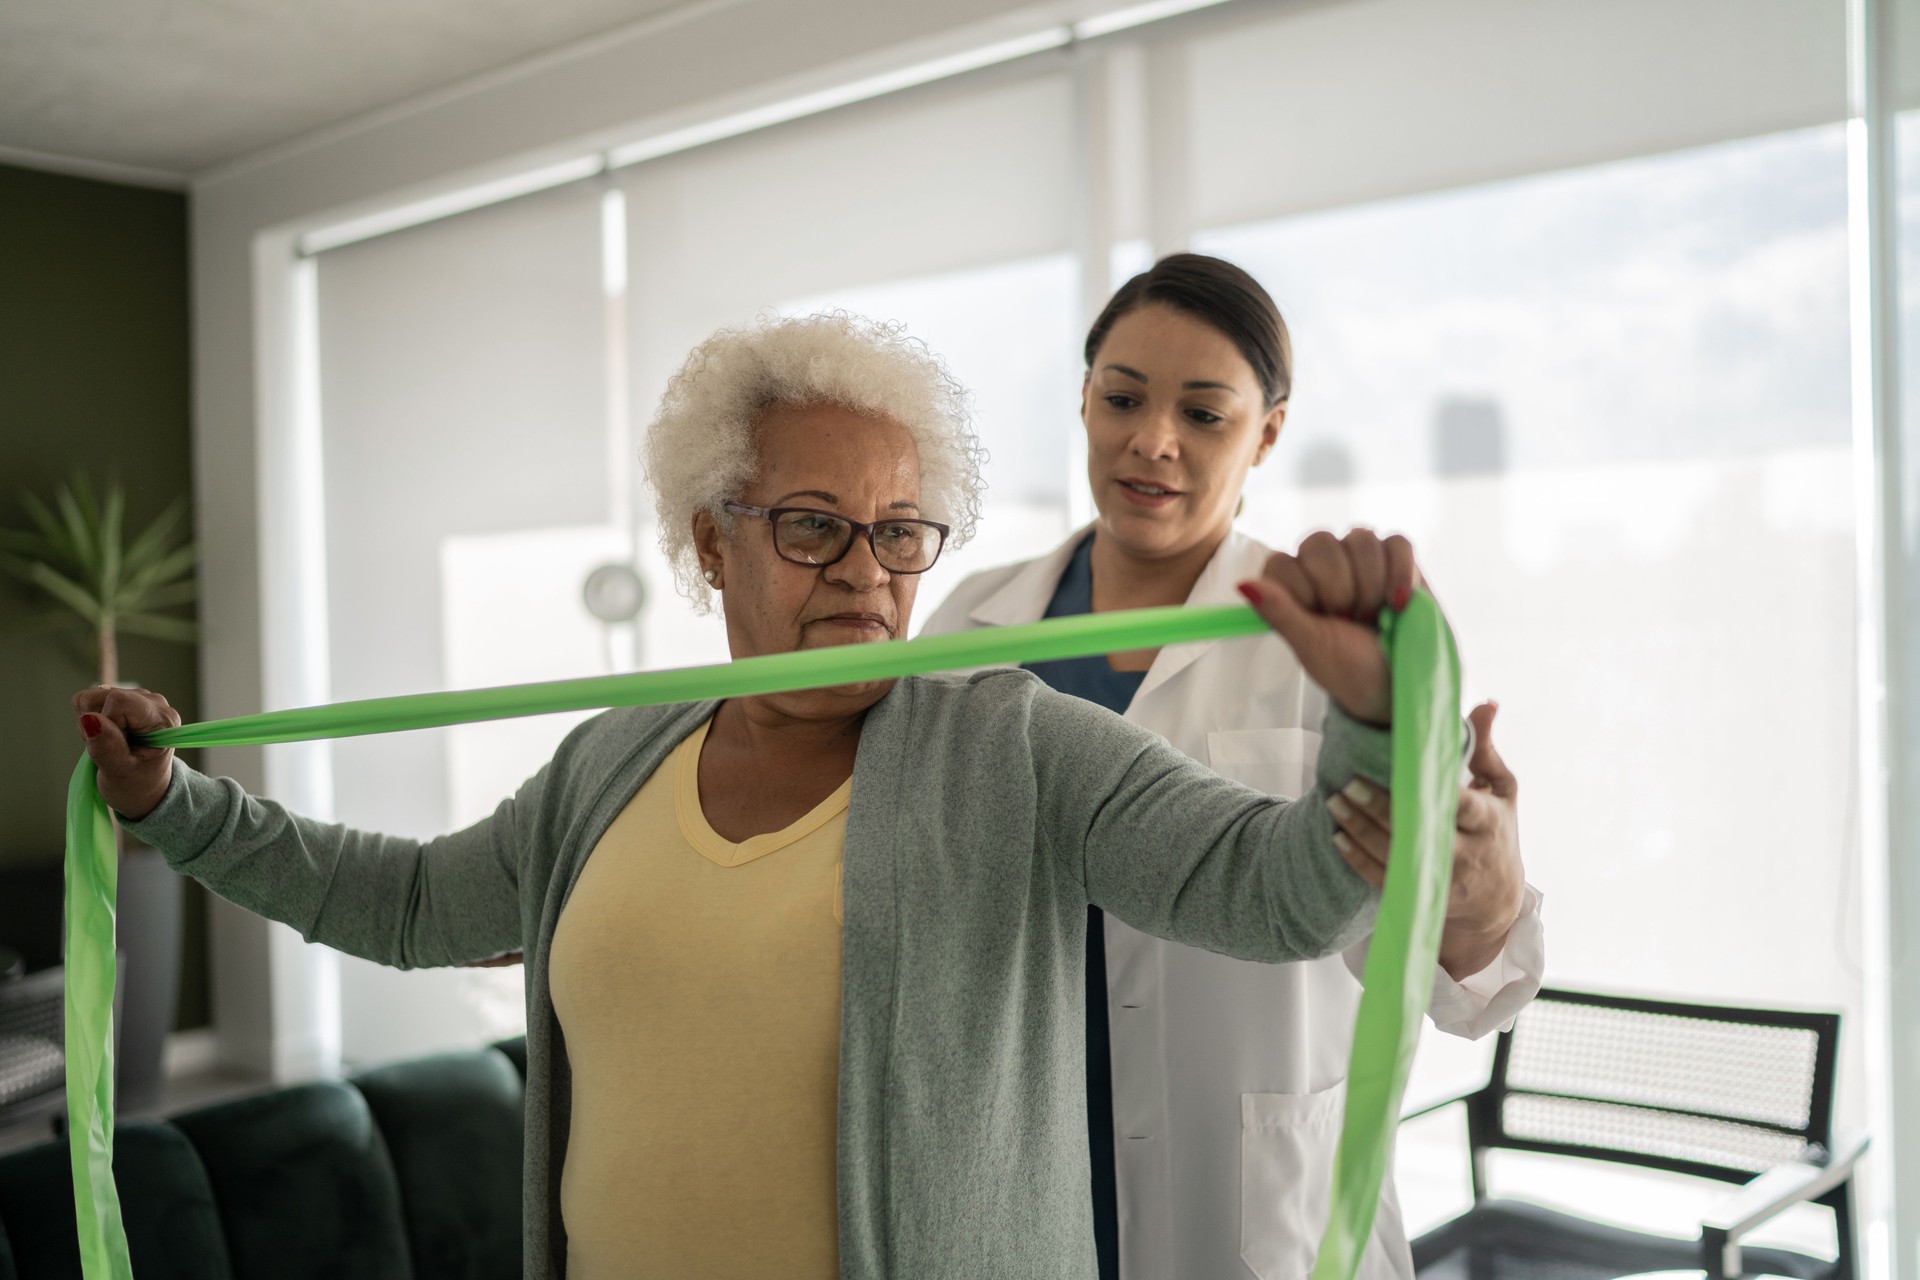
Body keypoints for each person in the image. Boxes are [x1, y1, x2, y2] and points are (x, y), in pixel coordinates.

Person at [76, 312, 1495, 1280]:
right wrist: (173, 806)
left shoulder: (1015, 743)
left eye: (899, 533)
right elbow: (402, 903)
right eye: (815, 526)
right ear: (713, 540)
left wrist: (1370, 726)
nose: (866, 573)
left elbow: (1277, 887)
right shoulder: (610, 760)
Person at [923, 254, 1544, 1280]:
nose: (1151, 440)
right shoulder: (970, 625)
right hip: (1019, 1161)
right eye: (1122, 397)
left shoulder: (1342, 644)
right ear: (1083, 398)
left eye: (1205, 414)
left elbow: (1469, 979)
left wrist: (1483, 890)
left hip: (1257, 1200)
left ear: (1267, 432)